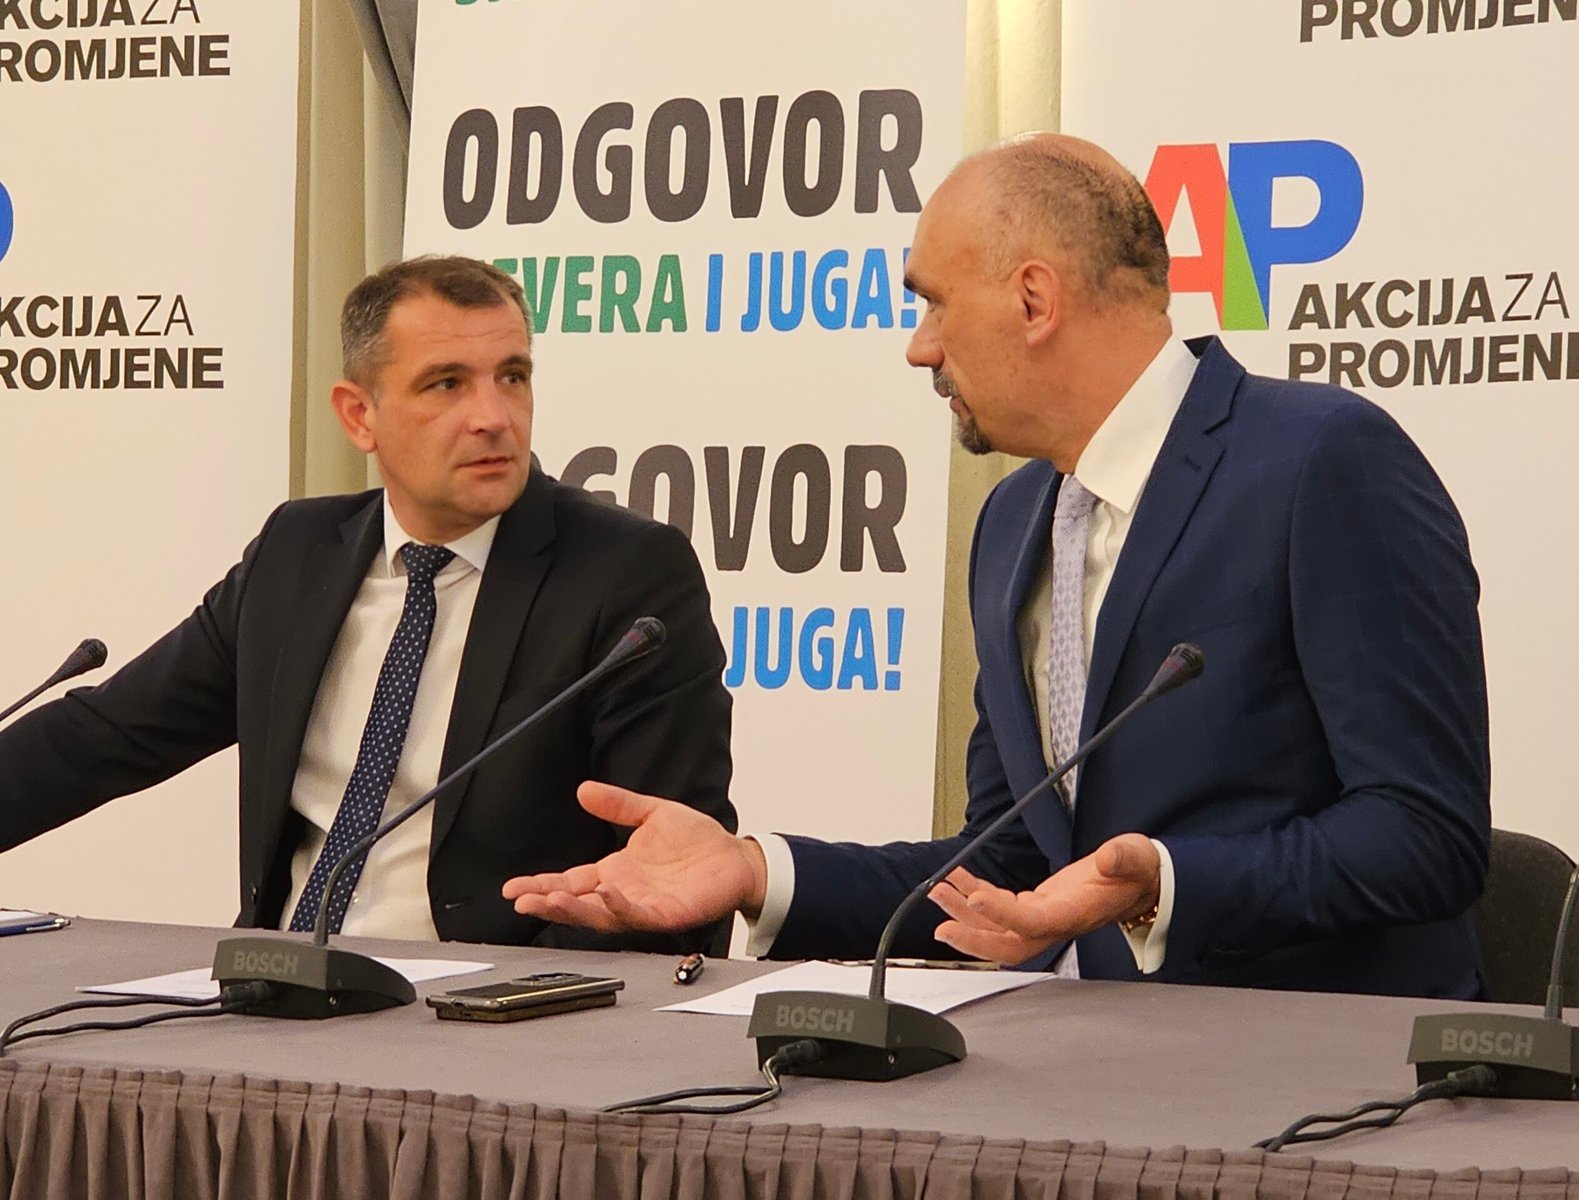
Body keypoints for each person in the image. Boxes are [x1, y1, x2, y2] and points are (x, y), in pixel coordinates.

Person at [502, 135, 1492, 997]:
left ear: (1033, 299)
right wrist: (758, 873)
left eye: (933, 303)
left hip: (1313, 1075)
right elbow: (1009, 858)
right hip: (1066, 1072)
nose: (918, 347)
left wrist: (1161, 883)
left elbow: (1424, 834)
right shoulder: (1014, 519)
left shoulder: (1321, 461)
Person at [0, 256, 735, 953]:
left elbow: (667, 885)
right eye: (446, 384)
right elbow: (107, 737)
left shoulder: (624, 576)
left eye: (512, 376)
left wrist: (496, 1002)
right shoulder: (297, 553)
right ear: (359, 416)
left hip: (490, 1008)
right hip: (278, 982)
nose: (493, 416)